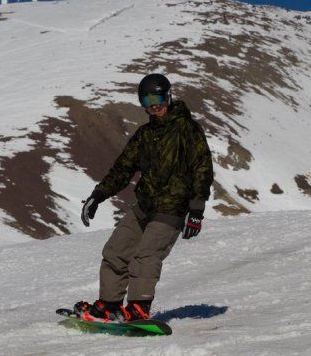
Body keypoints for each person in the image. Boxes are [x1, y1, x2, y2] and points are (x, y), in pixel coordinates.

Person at [74, 73, 214, 321]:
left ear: (168, 96)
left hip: (172, 210)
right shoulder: (145, 135)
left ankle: (139, 307)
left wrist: (196, 210)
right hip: (144, 206)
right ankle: (110, 305)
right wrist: (98, 196)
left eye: (158, 98)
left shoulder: (187, 130)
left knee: (146, 256)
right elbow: (123, 168)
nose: (154, 106)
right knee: (115, 252)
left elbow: (202, 169)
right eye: (147, 101)